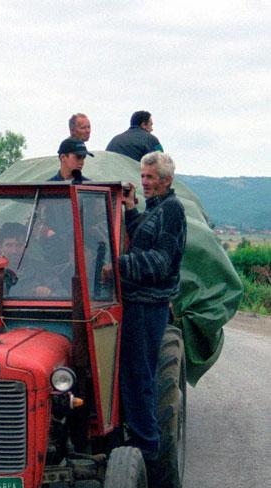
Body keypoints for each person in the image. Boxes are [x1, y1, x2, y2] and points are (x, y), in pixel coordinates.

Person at [105, 152, 186, 462]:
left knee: (140, 376)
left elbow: (161, 262)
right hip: (134, 301)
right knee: (126, 374)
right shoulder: (157, 209)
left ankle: (147, 451)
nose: (144, 181)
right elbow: (145, 238)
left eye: (150, 177)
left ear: (166, 180)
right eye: (143, 176)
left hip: (147, 304)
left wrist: (117, 265)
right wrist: (131, 210)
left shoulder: (173, 210)